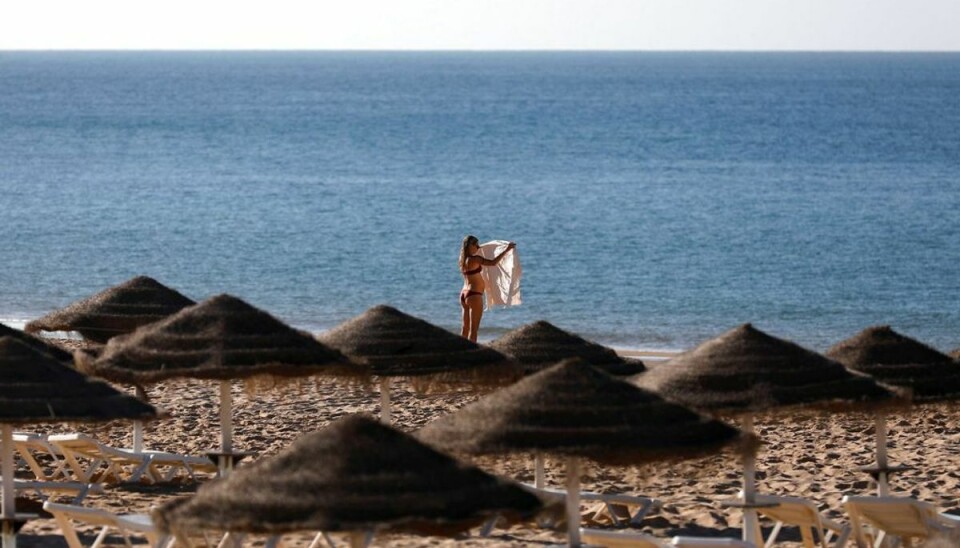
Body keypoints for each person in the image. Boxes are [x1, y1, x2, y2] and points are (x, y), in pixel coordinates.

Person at [459, 235, 516, 342]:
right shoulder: (475, 259)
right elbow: (493, 262)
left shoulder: (462, 259)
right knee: (473, 330)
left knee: (465, 328)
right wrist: (506, 250)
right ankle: (472, 354)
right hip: (474, 295)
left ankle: (461, 351)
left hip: (464, 294)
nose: (478, 247)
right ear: (469, 246)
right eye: (475, 244)